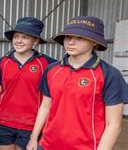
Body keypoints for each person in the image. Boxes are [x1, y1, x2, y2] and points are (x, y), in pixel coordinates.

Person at [26, 16, 128, 150]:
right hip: (47, 145)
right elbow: (45, 106)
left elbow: (113, 125)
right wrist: (34, 139)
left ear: (94, 43)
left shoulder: (110, 75)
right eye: (68, 37)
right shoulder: (52, 70)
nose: (71, 42)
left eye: (79, 38)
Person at [0, 17, 57, 150]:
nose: (18, 41)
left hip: (31, 124)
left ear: (35, 40)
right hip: (3, 121)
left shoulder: (48, 64)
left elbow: (51, 99)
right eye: (16, 36)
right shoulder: (4, 62)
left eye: (25, 37)